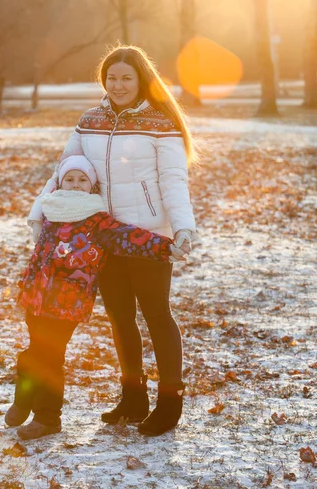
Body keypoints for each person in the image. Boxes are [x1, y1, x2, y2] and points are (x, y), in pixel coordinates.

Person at [28, 45, 197, 436]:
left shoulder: (160, 123)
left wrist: (183, 226)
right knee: (120, 317)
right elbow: (63, 172)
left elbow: (174, 179)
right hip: (102, 235)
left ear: (141, 81)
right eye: (112, 78)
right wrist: (38, 212)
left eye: (127, 78)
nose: (118, 85)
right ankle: (133, 397)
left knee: (156, 314)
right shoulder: (90, 121)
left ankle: (170, 402)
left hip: (149, 235)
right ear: (103, 81)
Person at [6, 155, 186, 440]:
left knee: (50, 356)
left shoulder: (96, 219)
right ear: (60, 182)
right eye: (70, 179)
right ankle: (22, 398)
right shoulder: (50, 209)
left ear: (92, 186)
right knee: (33, 352)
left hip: (67, 303)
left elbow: (130, 237)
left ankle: (47, 417)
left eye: (82, 180)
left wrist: (165, 247)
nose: (75, 185)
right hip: (36, 298)